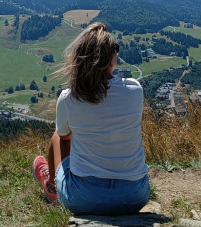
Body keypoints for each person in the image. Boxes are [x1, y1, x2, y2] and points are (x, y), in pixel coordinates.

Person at [32, 22, 150, 214]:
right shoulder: (135, 89)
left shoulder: (69, 97)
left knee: (59, 135)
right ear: (110, 58)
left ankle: (52, 188)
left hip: (84, 198)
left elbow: (65, 140)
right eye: (115, 49)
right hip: (135, 196)